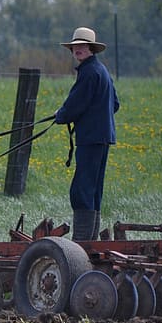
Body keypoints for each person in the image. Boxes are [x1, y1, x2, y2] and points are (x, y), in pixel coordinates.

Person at [54, 26, 119, 241]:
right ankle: (90, 243)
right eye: (75, 46)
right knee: (93, 190)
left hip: (90, 138)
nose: (78, 49)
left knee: (82, 190)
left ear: (91, 48)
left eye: (82, 46)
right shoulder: (102, 71)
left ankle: (82, 245)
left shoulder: (89, 73)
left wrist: (61, 115)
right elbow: (115, 104)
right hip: (102, 137)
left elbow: (74, 105)